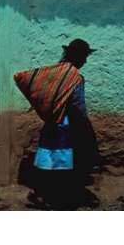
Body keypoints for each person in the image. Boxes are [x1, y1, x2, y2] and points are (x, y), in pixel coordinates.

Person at [14, 38, 101, 209]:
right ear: (79, 57)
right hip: (69, 125)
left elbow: (27, 79)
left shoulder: (57, 72)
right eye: (84, 57)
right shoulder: (75, 77)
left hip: (52, 122)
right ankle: (63, 197)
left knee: (50, 158)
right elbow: (78, 106)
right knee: (67, 159)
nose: (85, 61)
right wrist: (86, 127)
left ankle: (44, 193)